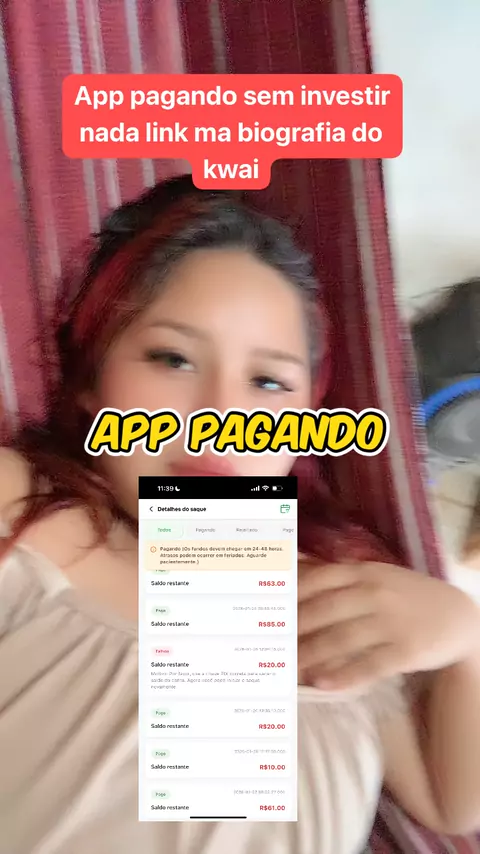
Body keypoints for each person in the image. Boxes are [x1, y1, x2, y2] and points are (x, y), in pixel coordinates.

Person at [0, 174, 479, 854]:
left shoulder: (334, 593)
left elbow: (450, 802)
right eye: (172, 359)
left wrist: (465, 643)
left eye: (268, 382)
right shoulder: (24, 506)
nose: (222, 417)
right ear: (89, 382)